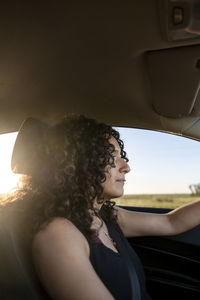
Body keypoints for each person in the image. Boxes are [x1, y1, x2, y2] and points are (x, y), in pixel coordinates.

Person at [2, 114, 200, 300]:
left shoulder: (106, 216)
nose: (126, 166)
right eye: (111, 156)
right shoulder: (58, 234)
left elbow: (170, 222)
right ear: (78, 162)